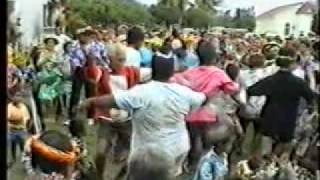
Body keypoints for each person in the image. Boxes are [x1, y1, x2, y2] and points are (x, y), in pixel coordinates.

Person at [79, 58, 206, 179]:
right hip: (177, 149)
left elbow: (112, 100)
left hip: (147, 154)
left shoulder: (142, 92)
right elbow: (203, 98)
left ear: (153, 71)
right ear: (171, 73)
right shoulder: (184, 92)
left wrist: (89, 102)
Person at [82, 43, 151, 180]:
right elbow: (91, 72)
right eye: (118, 59)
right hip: (107, 119)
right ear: (110, 59)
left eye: (123, 59)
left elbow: (153, 72)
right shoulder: (103, 72)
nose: (122, 63)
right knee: (100, 152)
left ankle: (120, 177)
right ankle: (99, 176)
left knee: (134, 154)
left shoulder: (132, 72)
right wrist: (90, 58)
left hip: (127, 119)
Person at [171, 40, 240, 171]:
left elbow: (175, 80)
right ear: (214, 56)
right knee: (208, 141)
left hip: (191, 112)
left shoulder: (191, 72)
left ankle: (192, 165)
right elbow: (232, 89)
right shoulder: (218, 73)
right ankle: (206, 164)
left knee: (195, 139)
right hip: (210, 112)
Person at [247, 47, 315, 160]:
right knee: (283, 153)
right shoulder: (299, 82)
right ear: (291, 65)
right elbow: (310, 97)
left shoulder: (271, 80)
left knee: (264, 154)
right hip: (288, 121)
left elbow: (252, 90)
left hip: (270, 119)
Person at [7, 95, 30, 166]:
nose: (16, 99)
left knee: (23, 146)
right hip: (11, 130)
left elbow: (27, 118)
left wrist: (23, 123)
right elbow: (8, 117)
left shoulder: (23, 107)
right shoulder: (9, 106)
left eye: (18, 98)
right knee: (11, 146)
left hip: (21, 130)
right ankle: (11, 160)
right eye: (14, 98)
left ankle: (25, 161)